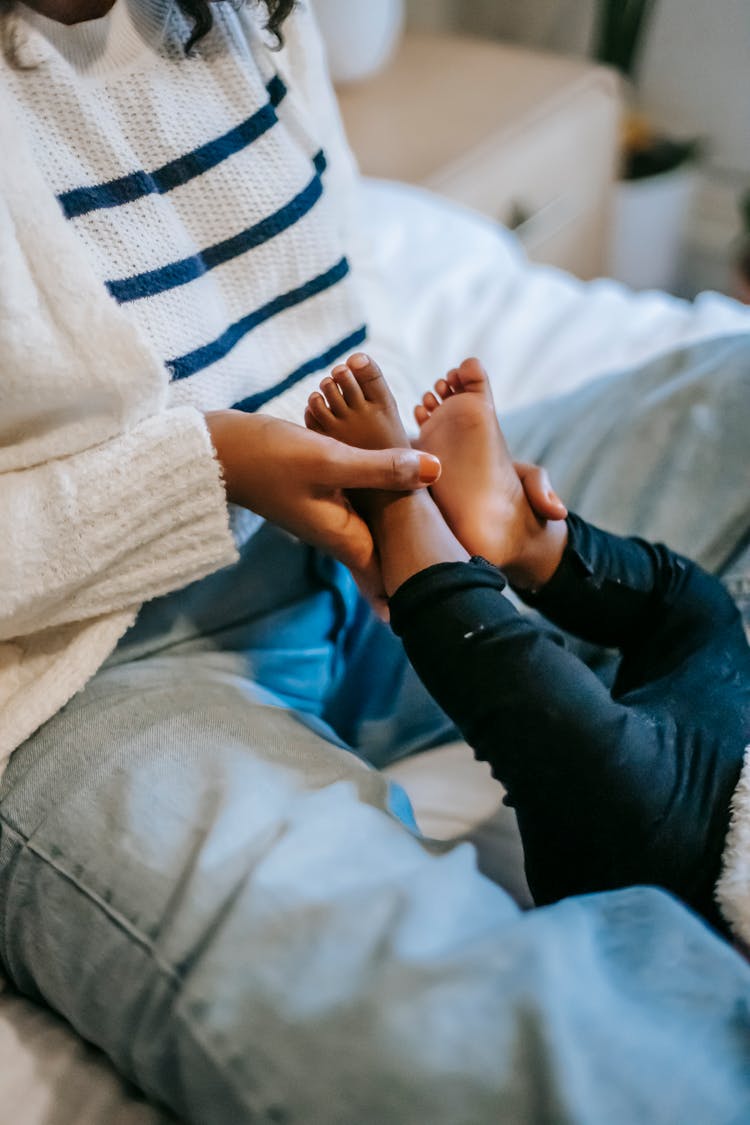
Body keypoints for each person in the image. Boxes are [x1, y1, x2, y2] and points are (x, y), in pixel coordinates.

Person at [2, 1, 750, 1121]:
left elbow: (316, 301)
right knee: (460, 1038)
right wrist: (211, 468)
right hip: (101, 654)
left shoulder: (240, 13)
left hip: (375, 525)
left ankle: (540, 568)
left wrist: (402, 473)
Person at [305, 351, 750, 936]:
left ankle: (399, 508)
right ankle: (523, 533)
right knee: (694, 605)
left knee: (583, 747)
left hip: (693, 870)